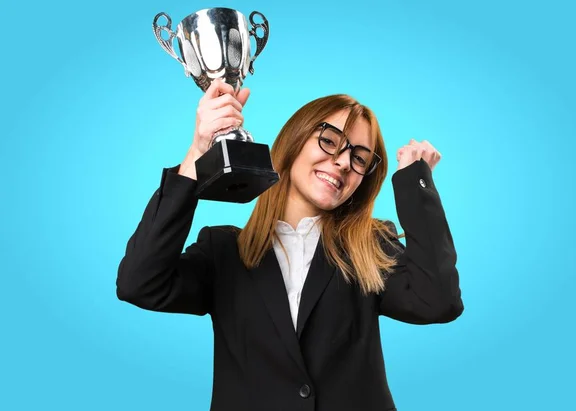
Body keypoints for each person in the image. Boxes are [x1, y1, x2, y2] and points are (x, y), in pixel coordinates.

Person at [116, 79, 464, 411]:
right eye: (330, 140)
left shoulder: (370, 246)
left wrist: (415, 183)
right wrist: (198, 153)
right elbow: (140, 283)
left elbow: (437, 302)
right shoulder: (222, 250)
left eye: (359, 158)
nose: (343, 161)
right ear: (295, 140)